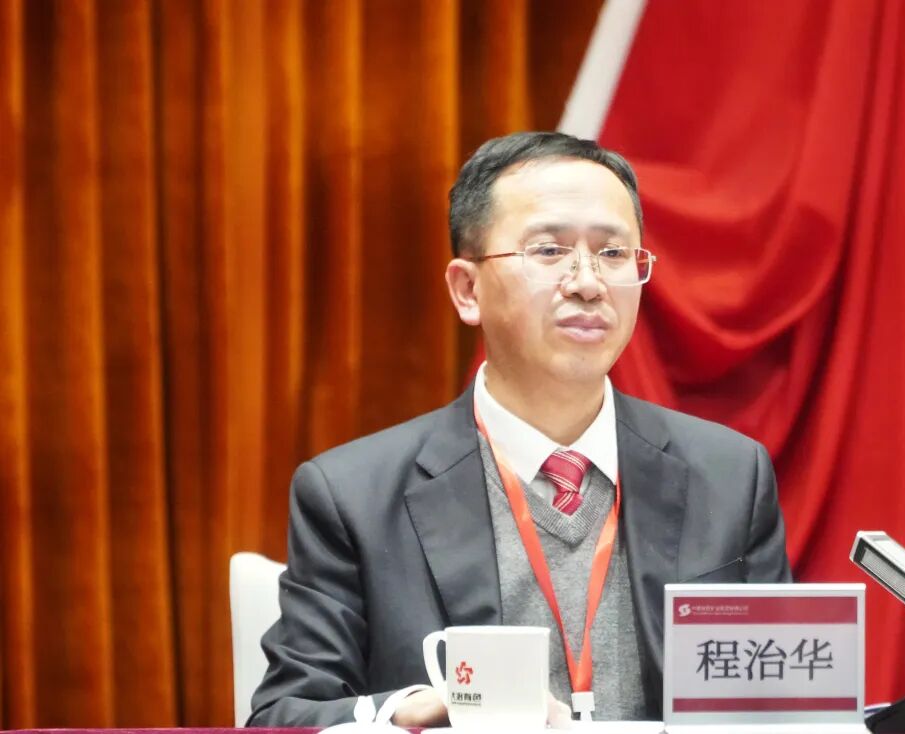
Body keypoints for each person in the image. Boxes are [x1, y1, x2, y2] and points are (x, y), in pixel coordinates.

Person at [248, 132, 791, 727]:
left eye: (613, 254)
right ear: (468, 289)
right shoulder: (353, 496)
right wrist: (409, 711)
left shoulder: (729, 476)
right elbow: (285, 715)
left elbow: (785, 706)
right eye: (549, 250)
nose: (588, 283)